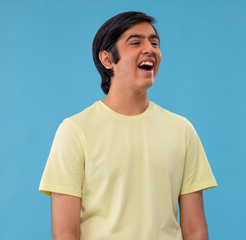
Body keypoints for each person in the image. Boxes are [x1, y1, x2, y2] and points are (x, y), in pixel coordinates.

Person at [39, 11, 217, 240]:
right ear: (107, 59)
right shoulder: (75, 131)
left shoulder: (182, 130)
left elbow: (195, 230)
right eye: (136, 42)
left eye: (154, 42)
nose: (150, 49)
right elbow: (65, 233)